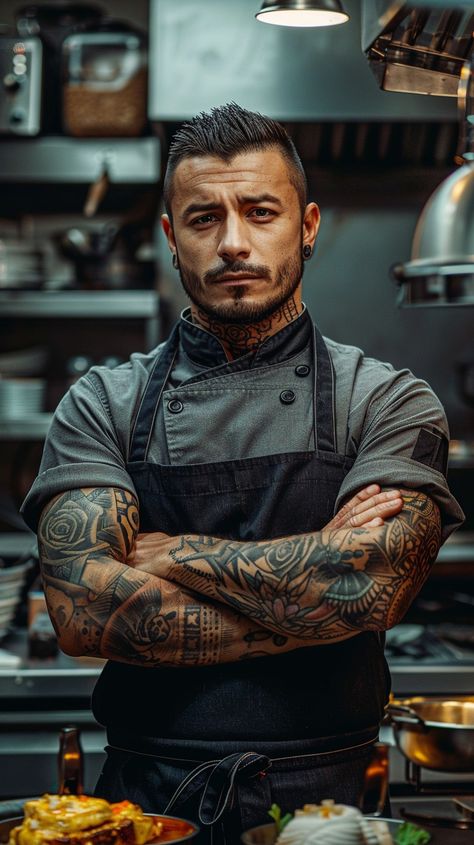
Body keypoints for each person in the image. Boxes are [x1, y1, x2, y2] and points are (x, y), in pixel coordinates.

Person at [22, 103, 463, 844]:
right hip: (142, 806)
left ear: (309, 225)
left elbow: (374, 584)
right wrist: (314, 586)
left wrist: (171, 553)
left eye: (260, 212)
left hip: (333, 810)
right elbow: (85, 614)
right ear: (171, 236)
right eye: (203, 219)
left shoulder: (384, 398)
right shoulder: (103, 402)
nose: (233, 242)